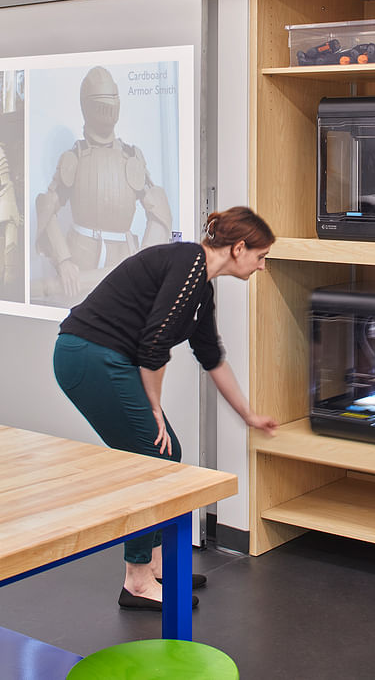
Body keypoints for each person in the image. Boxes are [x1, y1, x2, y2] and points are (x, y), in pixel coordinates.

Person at [53, 206, 278, 612]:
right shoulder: (188, 262)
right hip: (87, 354)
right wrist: (154, 407)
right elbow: (153, 344)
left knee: (165, 454)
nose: (261, 267)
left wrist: (247, 414)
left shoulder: (201, 287)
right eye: (261, 257)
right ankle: (137, 580)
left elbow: (211, 357)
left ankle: (155, 567)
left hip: (106, 357)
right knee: (155, 455)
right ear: (239, 247)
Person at [35, 65, 172, 304]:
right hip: (81, 260)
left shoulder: (131, 156)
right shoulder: (74, 156)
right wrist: (64, 260)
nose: (108, 107)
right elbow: (46, 207)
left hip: (124, 258)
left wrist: (145, 258)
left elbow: (159, 210)